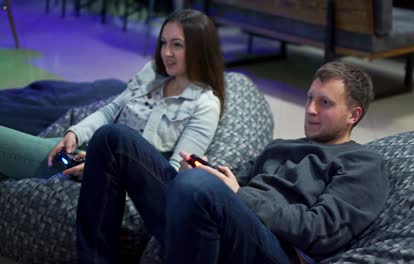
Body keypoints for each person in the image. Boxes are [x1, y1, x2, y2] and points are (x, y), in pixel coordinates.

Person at [76, 61, 389, 263]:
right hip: (218, 221)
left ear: (353, 115)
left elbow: (319, 232)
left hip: (276, 251)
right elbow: (232, 180)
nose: (310, 109)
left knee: (196, 186)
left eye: (325, 103)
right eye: (309, 98)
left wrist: (237, 194)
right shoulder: (281, 147)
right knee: (112, 138)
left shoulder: (363, 163)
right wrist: (201, 170)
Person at [0, 9, 225, 181]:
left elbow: (171, 174)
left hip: (113, 174)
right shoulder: (152, 73)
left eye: (177, 45)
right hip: (89, 152)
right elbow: (110, 111)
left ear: (199, 50)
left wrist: (105, 167)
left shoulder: (205, 106)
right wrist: (76, 133)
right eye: (163, 43)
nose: (166, 53)